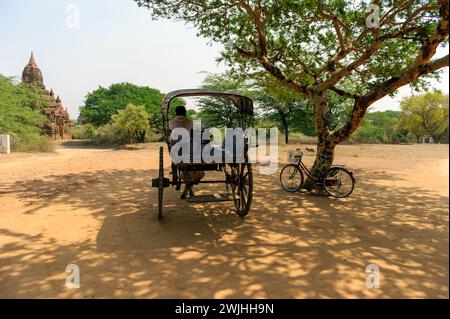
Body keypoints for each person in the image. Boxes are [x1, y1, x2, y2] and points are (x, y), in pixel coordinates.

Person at [169, 105, 204, 199]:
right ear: (185, 113)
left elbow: (167, 131)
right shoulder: (190, 122)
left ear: (176, 113)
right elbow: (201, 128)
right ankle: (189, 188)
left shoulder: (171, 122)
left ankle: (176, 174)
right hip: (190, 150)